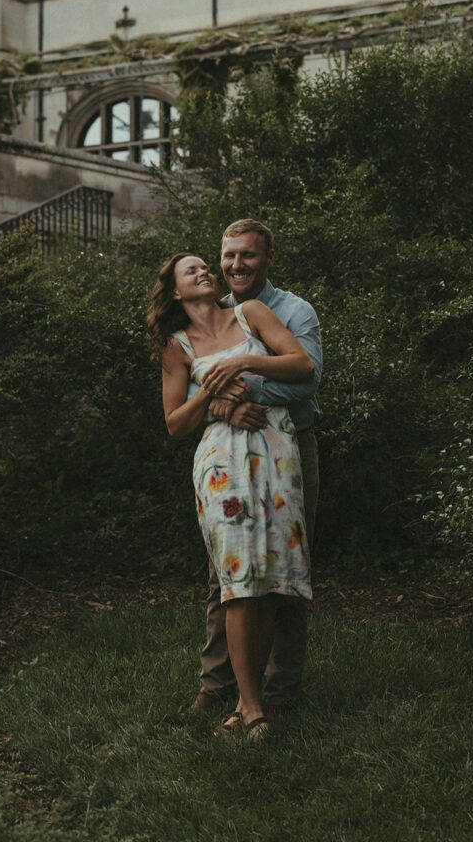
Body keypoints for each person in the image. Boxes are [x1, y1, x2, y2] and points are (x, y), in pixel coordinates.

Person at [146, 250, 314, 737]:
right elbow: (176, 424)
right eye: (190, 269)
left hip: (277, 453)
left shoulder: (251, 314)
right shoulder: (176, 346)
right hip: (222, 467)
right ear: (176, 291)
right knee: (239, 581)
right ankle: (252, 707)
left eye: (205, 265)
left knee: (268, 581)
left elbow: (302, 365)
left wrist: (240, 359)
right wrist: (211, 397)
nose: (204, 270)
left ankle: (244, 704)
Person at [193, 219, 322, 715]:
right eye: (228, 256)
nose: (235, 265)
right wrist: (220, 407)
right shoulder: (211, 315)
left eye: (247, 255)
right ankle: (216, 686)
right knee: (222, 575)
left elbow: (306, 383)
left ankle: (280, 690)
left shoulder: (293, 310)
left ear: (268, 258)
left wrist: (244, 387)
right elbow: (187, 395)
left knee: (285, 567)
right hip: (227, 454)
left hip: (290, 449)